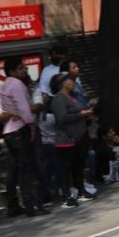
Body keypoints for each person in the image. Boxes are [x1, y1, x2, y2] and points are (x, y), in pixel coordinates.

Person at [0, 58, 44, 217]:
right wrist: (30, 125)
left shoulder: (4, 85)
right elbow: (24, 108)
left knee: (16, 169)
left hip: (9, 131)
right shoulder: (17, 85)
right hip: (19, 129)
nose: (24, 70)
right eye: (20, 68)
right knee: (26, 169)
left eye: (24, 68)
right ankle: (31, 205)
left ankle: (15, 205)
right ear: (11, 71)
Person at [49, 74, 96, 207]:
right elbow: (62, 118)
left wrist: (87, 114)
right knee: (65, 167)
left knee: (78, 165)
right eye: (69, 80)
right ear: (62, 83)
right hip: (66, 138)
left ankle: (81, 190)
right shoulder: (59, 98)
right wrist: (80, 114)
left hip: (79, 136)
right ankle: (66, 195)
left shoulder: (73, 97)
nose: (72, 82)